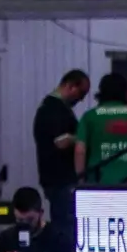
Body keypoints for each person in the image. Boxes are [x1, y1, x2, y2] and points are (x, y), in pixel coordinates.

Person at [32, 69, 91, 225]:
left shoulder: (50, 107)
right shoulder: (54, 109)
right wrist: (83, 139)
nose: (82, 99)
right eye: (82, 93)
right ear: (70, 86)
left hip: (56, 180)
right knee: (66, 227)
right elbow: (60, 141)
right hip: (61, 180)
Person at [81, 73, 127, 186]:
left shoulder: (89, 116)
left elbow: (80, 150)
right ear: (126, 92)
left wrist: (80, 179)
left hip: (97, 183)